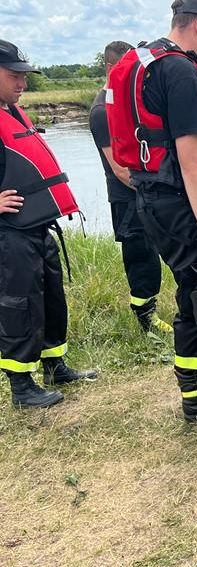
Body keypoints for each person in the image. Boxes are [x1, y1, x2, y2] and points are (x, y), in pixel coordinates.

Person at [105, 0, 197, 421]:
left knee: (195, 286)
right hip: (178, 200)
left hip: (151, 196)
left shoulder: (146, 62)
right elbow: (191, 160)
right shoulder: (181, 73)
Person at [0, 39, 97, 408]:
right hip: (9, 234)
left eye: (24, 76)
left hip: (37, 226)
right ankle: (21, 387)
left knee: (52, 298)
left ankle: (55, 365)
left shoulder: (12, 112)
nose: (22, 83)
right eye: (13, 76)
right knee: (18, 305)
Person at [89, 41, 172, 335]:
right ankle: (144, 318)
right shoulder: (101, 112)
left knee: (153, 255)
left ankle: (151, 311)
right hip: (127, 199)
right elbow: (119, 169)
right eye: (126, 67)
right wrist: (155, 190)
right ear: (112, 68)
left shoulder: (121, 104)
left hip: (144, 194)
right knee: (140, 259)